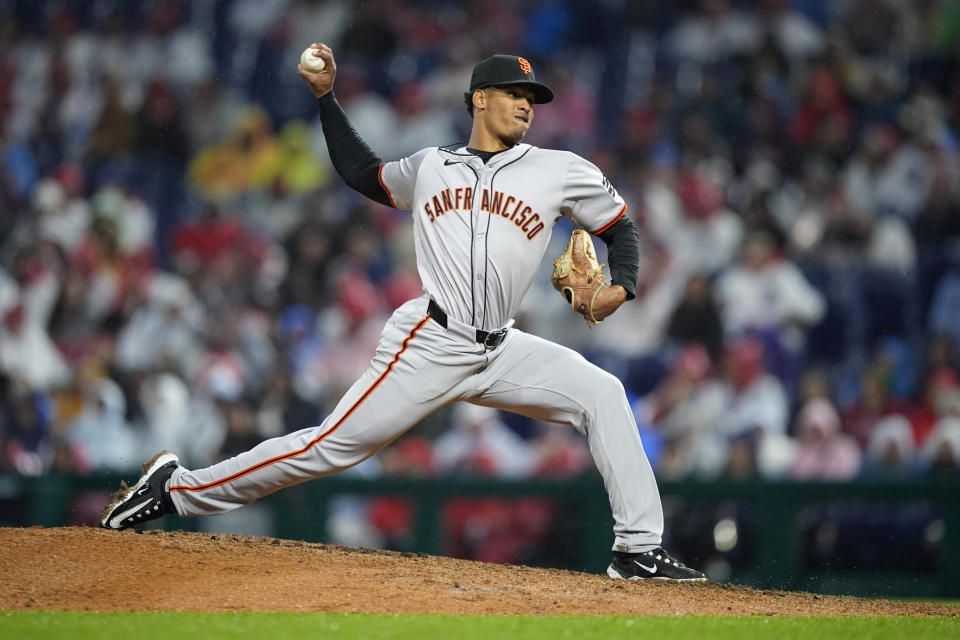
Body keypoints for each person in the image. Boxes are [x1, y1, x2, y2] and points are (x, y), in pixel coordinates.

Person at [100, 45, 706, 582]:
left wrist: (620, 287)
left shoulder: (559, 169)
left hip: (501, 349)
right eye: (514, 94)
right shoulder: (430, 164)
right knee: (329, 447)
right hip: (431, 340)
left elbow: (620, 227)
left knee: (603, 394)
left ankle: (638, 550)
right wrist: (326, 99)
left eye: (533, 97)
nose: (527, 105)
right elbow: (364, 174)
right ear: (479, 99)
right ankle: (175, 490)